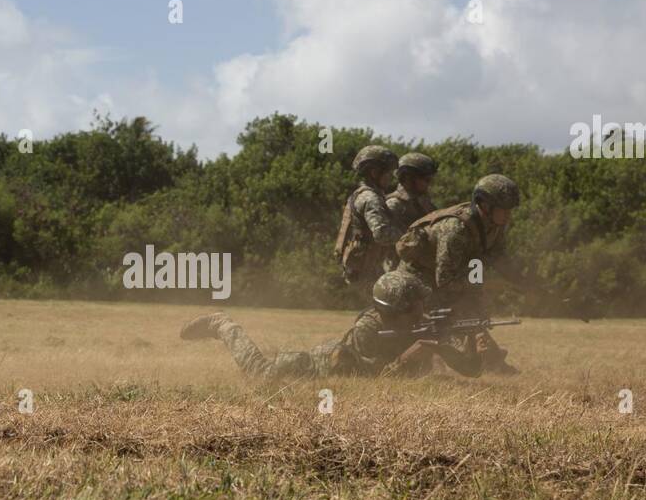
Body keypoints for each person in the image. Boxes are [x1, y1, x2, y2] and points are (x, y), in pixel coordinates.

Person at [179, 270, 490, 381]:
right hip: (317, 366)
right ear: (395, 310)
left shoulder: (417, 323)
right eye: (415, 305)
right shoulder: (368, 327)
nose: (423, 310)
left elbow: (470, 371)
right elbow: (375, 383)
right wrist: (414, 354)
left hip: (343, 363)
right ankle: (222, 324)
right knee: (261, 373)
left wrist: (471, 351)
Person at [394, 173, 524, 372]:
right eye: (503, 209)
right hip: (417, 278)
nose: (508, 216)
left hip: (448, 276)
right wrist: (476, 291)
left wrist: (531, 285)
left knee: (473, 315)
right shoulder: (456, 228)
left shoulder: (493, 227)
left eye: (510, 210)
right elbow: (444, 280)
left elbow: (496, 262)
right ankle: (421, 363)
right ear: (485, 205)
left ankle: (491, 362)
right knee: (442, 320)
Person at [334, 144, 402, 290]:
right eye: (388, 172)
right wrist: (407, 236)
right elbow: (381, 234)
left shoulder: (360, 194)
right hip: (367, 271)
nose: (391, 177)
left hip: (360, 267)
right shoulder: (371, 198)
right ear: (374, 172)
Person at [384, 151, 438, 270]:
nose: (429, 183)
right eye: (426, 179)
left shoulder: (424, 202)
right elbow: (386, 241)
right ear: (409, 178)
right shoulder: (394, 205)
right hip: (398, 271)